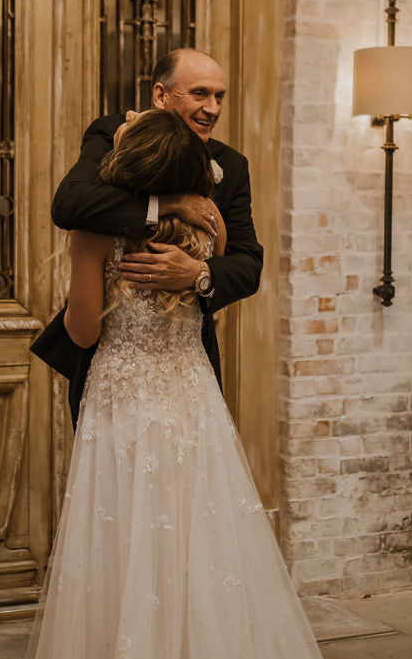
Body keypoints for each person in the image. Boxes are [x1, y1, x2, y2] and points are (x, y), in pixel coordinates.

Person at [15, 109, 412, 659]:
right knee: (206, 560)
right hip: (190, 400)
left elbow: (85, 327)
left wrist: (85, 279)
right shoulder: (199, 229)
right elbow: (209, 264)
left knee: (123, 561)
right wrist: (191, 265)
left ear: (130, 163)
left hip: (126, 406)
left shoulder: (104, 232)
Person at [29, 48, 263, 431]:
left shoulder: (231, 165)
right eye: (200, 93)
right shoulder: (112, 135)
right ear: (160, 95)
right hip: (113, 370)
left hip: (188, 363)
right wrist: (167, 205)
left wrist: (197, 273)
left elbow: (248, 264)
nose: (213, 108)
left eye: (219, 96)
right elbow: (69, 204)